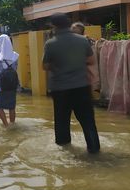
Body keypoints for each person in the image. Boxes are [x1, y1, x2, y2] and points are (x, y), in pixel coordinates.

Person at [43, 13, 101, 154]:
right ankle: (94, 151)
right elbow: (92, 61)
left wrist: (59, 66)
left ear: (54, 26)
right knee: (88, 122)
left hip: (61, 89)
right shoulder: (82, 41)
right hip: (82, 87)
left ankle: (65, 154)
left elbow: (45, 66)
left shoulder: (51, 44)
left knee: (62, 123)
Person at [0, 34, 19, 127]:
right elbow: (15, 70)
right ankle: (12, 124)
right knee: (12, 106)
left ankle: (6, 125)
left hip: (1, 87)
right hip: (12, 85)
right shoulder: (14, 56)